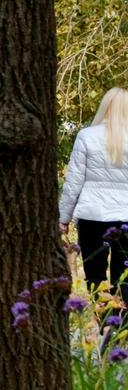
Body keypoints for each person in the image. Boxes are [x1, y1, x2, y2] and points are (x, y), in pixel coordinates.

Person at [60, 87, 128, 297]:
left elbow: (73, 182)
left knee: (95, 278)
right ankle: (123, 326)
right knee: (125, 278)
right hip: (126, 218)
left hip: (92, 217)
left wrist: (64, 217)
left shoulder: (87, 136)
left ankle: (105, 326)